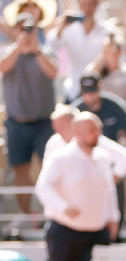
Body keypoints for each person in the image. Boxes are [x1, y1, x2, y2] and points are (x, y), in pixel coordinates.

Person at [34, 112, 124, 261]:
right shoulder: (60, 157)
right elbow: (43, 187)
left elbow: (109, 190)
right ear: (77, 132)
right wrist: (63, 206)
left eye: (98, 130)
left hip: (96, 232)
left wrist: (113, 218)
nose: (97, 134)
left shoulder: (102, 158)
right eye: (92, 130)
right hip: (64, 232)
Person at [0, 12, 58, 215]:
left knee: (48, 169)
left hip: (44, 123)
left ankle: (49, 212)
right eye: (22, 28)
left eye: (30, 28)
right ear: (15, 30)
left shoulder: (46, 51)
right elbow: (2, 67)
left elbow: (54, 72)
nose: (26, 32)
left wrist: (36, 51)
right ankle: (27, 215)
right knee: (20, 172)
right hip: (17, 123)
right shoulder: (8, 52)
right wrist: (19, 47)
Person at [72, 71, 126, 228]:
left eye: (92, 92)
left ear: (100, 88)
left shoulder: (115, 106)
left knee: (115, 195)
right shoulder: (76, 109)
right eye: (86, 92)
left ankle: (117, 230)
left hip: (112, 162)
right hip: (84, 163)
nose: (89, 96)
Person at [46, 0, 111, 102]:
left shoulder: (107, 31)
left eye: (91, 5)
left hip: (98, 92)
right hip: (73, 89)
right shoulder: (69, 28)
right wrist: (61, 26)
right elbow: (51, 46)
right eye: (83, 4)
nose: (87, 9)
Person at [88, 32, 126, 119]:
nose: (111, 52)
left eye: (114, 48)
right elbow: (87, 76)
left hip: (121, 117)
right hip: (101, 116)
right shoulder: (98, 72)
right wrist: (103, 55)